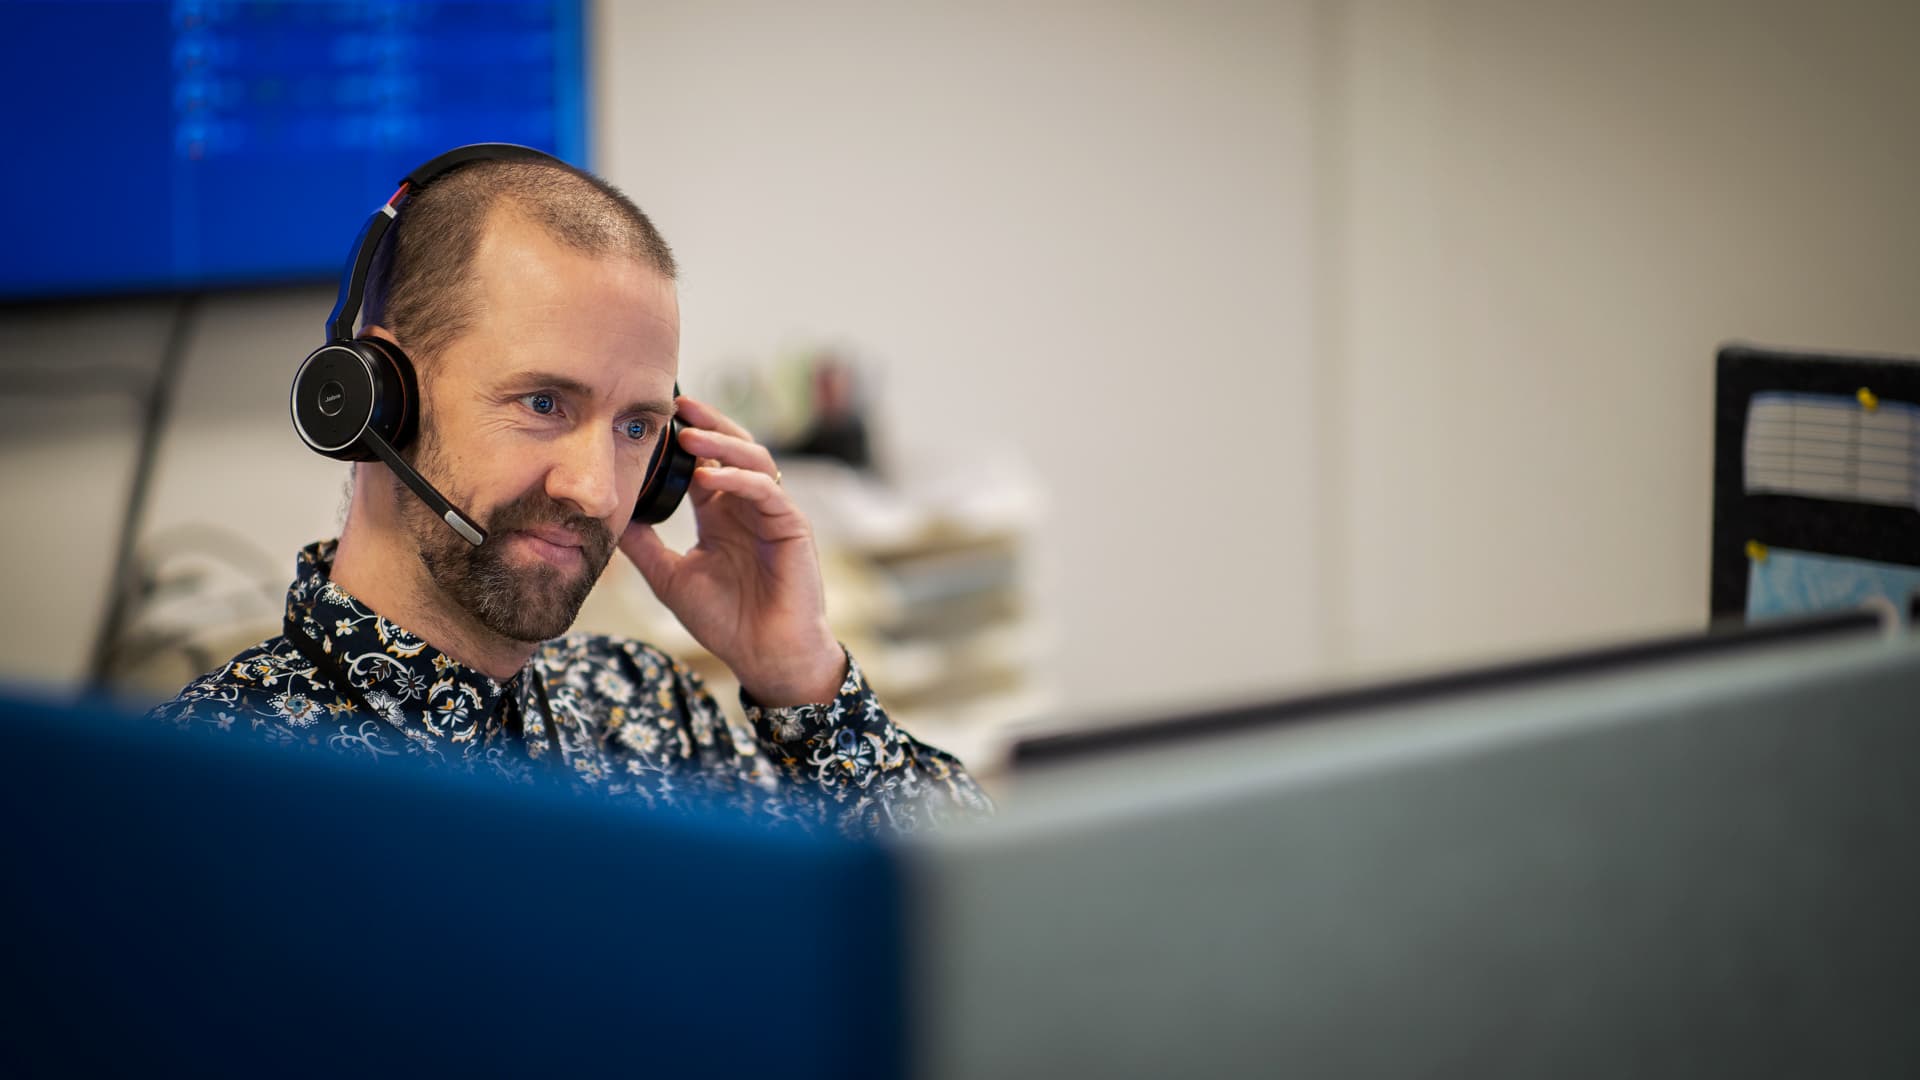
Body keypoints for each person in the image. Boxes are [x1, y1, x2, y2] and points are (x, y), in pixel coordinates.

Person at [148, 150, 991, 837]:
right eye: (543, 403)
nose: (594, 491)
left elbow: (970, 928)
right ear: (375, 397)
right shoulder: (207, 783)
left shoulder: (645, 710)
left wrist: (802, 680)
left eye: (636, 428)